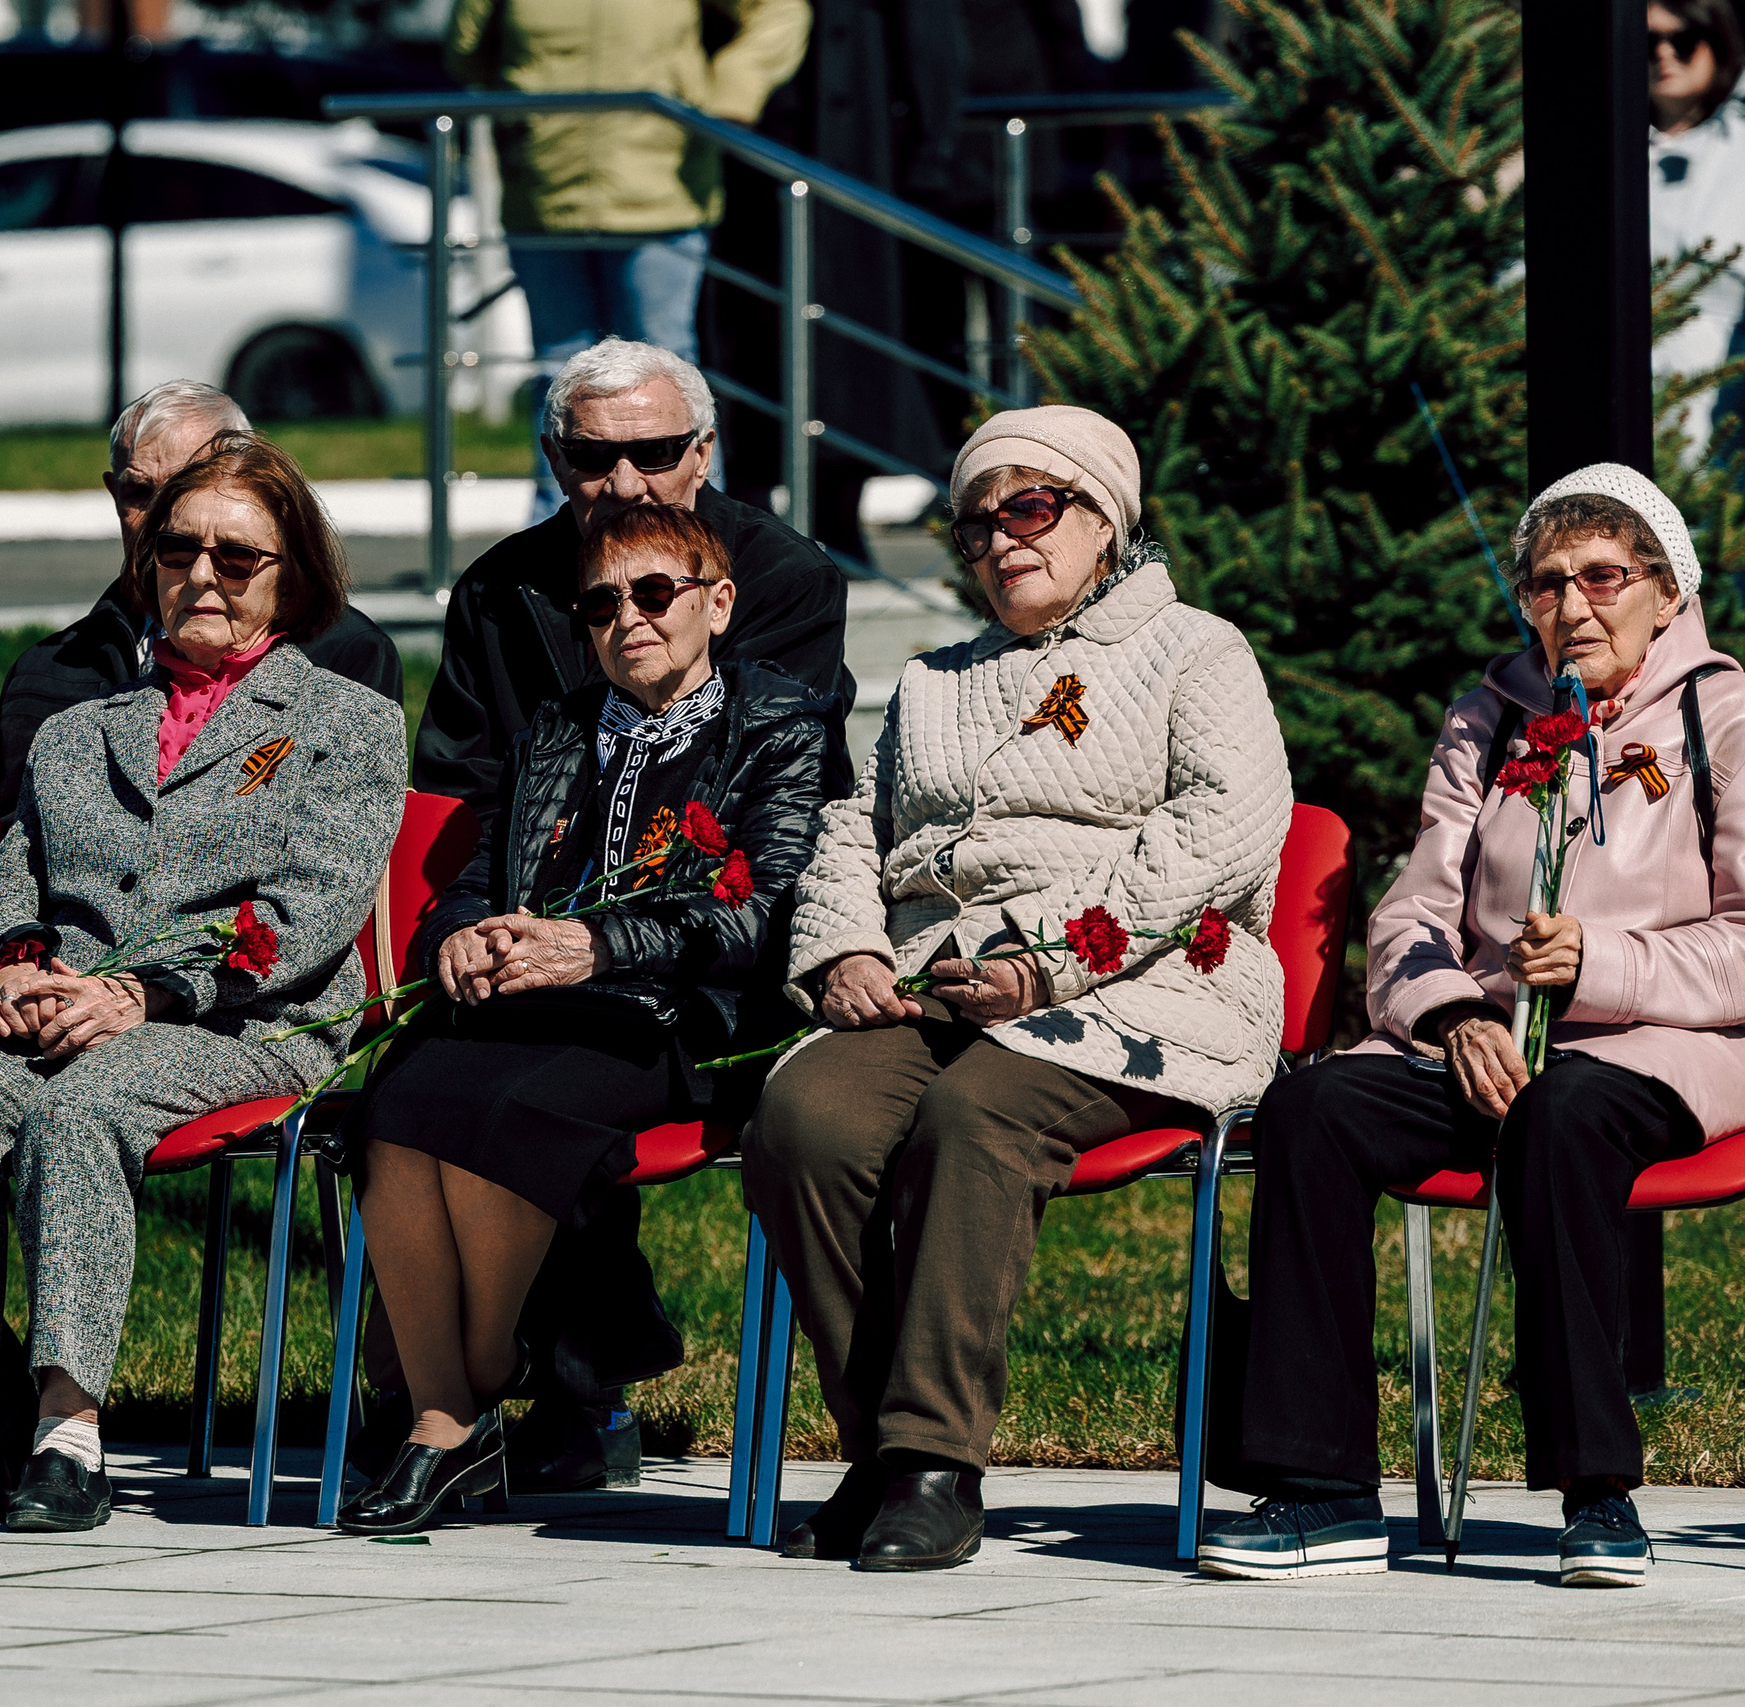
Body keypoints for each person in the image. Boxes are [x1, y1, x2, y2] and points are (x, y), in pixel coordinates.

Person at [745, 405, 1292, 1572]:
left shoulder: (1195, 650)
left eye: (1031, 507)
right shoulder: (936, 679)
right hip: (937, 980)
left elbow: (1221, 836)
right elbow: (855, 829)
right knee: (805, 1121)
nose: (999, 539)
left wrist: (1046, 955)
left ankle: (937, 1464)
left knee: (974, 1116)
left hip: (1143, 982)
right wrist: (840, 948)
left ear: (1108, 520)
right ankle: (883, 1456)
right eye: (976, 522)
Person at [1201, 465, 1741, 1590]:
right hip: (1487, 1041)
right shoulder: (1490, 716)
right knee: (1315, 1107)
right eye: (1545, 584)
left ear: (1664, 591)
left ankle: (1596, 1492)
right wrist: (1450, 1014)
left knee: (1563, 1113)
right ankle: (1322, 1490)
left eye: (1601, 576)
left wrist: (1604, 961)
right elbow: (1412, 909)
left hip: (1661, 1049)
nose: (1571, 606)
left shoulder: (1720, 714)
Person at [0, 435, 403, 1534]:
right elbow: (9, 876)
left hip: (247, 1020)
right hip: (68, 1007)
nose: (202, 575)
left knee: (79, 1109)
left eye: (238, 559)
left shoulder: (347, 724)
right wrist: (15, 963)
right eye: (178, 549)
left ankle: (70, 1438)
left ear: (292, 577)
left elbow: (306, 915)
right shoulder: (79, 732)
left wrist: (146, 996)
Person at [336, 503, 837, 1535]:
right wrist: (459, 939)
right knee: (392, 1102)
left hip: (680, 1016)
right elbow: (473, 877)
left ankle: (474, 1377)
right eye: (602, 603)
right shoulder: (559, 729)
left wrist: (600, 948)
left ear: (718, 603)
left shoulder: (780, 727)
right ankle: (449, 1415)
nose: (629, 619)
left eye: (655, 594)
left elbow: (765, 910)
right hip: (528, 998)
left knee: (508, 1111)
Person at [0, 381, 404, 816]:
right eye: (139, 493)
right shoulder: (50, 667)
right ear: (114, 494)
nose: (160, 517)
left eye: (184, 490)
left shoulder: (344, 652)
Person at [445, 0, 811, 519]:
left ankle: (694, 530)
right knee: (558, 372)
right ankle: (559, 537)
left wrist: (731, 92)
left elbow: (779, 10)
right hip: (545, 188)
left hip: (660, 189)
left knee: (668, 371)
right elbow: (466, 48)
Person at [1648, 0, 1745, 456]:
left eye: (1683, 41)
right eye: (1647, 44)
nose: (1664, 54)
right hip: (1634, 393)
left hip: (1726, 390)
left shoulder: (1736, 143)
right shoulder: (1605, 154)